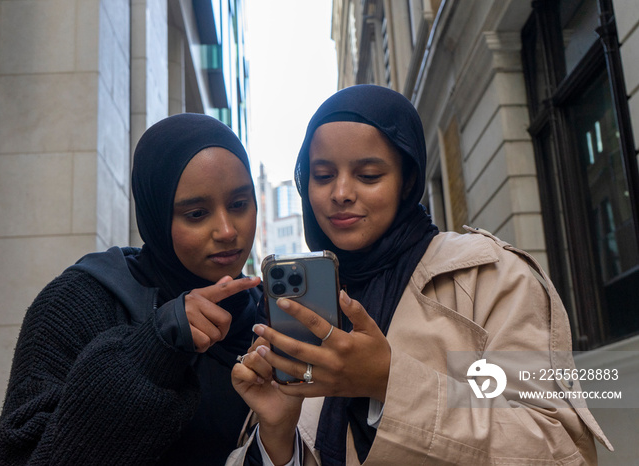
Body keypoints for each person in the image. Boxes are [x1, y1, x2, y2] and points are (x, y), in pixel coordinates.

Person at [230, 85, 613, 465]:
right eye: (323, 175)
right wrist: (278, 440)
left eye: (368, 174)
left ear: (407, 180)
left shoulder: (486, 277)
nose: (341, 192)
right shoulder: (305, 307)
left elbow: (558, 450)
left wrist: (389, 382)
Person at [0, 113, 262, 465]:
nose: (226, 230)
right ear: (155, 215)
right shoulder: (82, 301)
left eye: (239, 204)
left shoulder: (264, 316)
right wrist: (154, 350)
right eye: (196, 213)